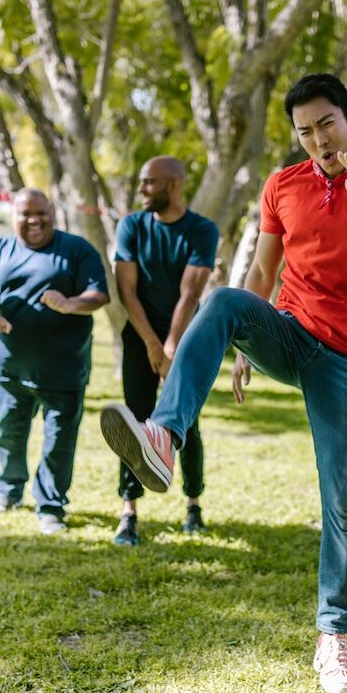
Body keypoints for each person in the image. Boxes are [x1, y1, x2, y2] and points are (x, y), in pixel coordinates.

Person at [100, 73, 347, 693]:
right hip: (288, 332)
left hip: (346, 357)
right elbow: (265, 269)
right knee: (221, 301)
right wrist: (244, 335)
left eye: (327, 125)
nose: (318, 142)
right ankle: (163, 439)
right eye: (304, 132)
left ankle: (333, 635)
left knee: (344, 501)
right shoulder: (283, 184)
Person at [0, 188, 109, 535]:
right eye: (25, 213)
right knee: (9, 433)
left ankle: (50, 506)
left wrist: (70, 303)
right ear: (12, 215)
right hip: (11, 366)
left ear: (52, 213)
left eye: (41, 213)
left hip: (64, 368)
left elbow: (98, 294)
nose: (34, 220)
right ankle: (8, 493)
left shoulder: (76, 249)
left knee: (59, 438)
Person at [112, 156, 219, 546]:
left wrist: (173, 344)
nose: (142, 189)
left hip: (187, 339)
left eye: (149, 182)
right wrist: (152, 344)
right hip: (139, 336)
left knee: (185, 423)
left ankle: (193, 505)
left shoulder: (202, 230)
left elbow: (190, 292)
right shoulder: (132, 226)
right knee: (132, 424)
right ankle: (129, 513)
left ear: (174, 185)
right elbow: (126, 290)